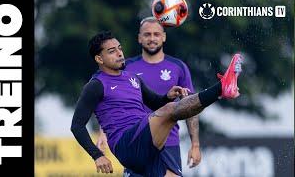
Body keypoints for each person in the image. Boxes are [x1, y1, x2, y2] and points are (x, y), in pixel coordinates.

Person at [70, 31, 242, 177]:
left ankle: (221, 91)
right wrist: (97, 156)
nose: (120, 53)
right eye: (112, 51)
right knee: (170, 111)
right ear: (99, 58)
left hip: (147, 147)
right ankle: (221, 88)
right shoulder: (96, 85)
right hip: (126, 144)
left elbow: (156, 104)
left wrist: (168, 96)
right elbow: (77, 126)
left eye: (120, 49)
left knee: (169, 109)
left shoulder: (132, 78)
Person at [96, 17, 201, 177]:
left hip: (169, 143)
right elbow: (108, 99)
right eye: (147, 34)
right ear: (139, 38)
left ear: (164, 37)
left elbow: (190, 107)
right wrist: (104, 132)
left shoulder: (178, 67)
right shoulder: (127, 68)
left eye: (156, 34)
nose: (152, 39)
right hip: (136, 142)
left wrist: (195, 144)